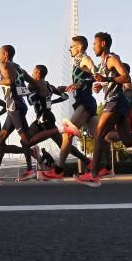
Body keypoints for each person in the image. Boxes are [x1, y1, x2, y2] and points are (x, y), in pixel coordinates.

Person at [76, 32, 132, 187]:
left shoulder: (112, 58)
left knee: (99, 135)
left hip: (115, 102)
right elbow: (108, 80)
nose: (93, 47)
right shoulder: (104, 62)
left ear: (103, 44)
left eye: (95, 43)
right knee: (128, 140)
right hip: (117, 102)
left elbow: (126, 77)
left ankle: (93, 175)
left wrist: (107, 79)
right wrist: (100, 84)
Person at [0, 45, 40, 187]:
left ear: (5, 54)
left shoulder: (4, 65)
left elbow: (10, 81)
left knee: (25, 139)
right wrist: (22, 91)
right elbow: (34, 85)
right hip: (17, 106)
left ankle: (30, 165)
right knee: (0, 141)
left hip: (14, 107)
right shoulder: (19, 68)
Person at [34, 36, 94, 180]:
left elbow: (95, 75)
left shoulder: (85, 59)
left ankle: (58, 170)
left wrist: (79, 84)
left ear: (79, 47)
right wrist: (68, 87)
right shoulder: (77, 62)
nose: (69, 49)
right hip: (81, 101)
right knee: (106, 136)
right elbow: (82, 80)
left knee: (67, 134)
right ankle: (99, 166)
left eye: (72, 46)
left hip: (86, 101)